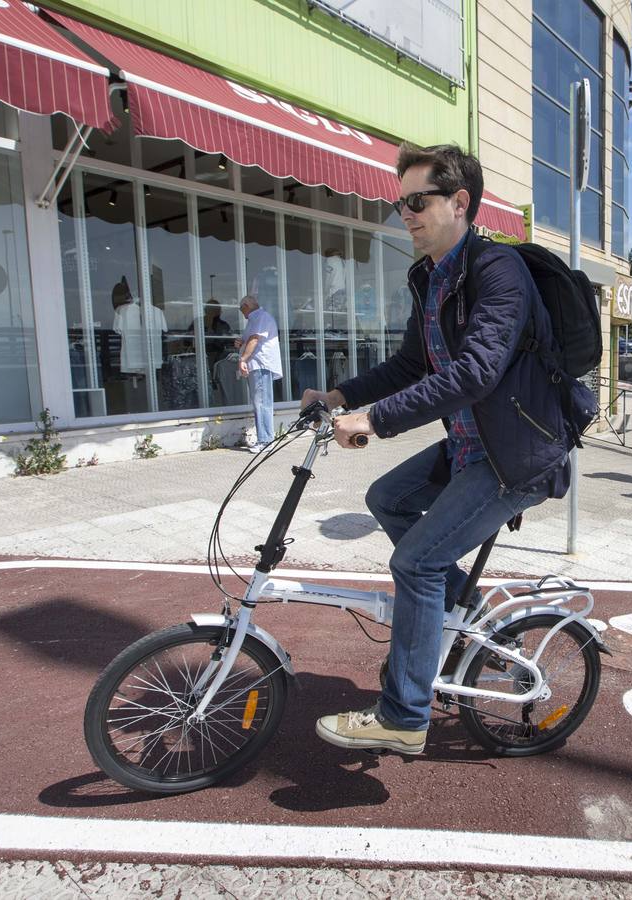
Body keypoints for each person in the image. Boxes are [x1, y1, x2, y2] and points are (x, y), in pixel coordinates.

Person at [301, 142, 571, 755]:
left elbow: (474, 373)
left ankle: (403, 716)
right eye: (401, 204)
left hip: (517, 457)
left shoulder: (498, 271)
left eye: (417, 202)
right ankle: (461, 604)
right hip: (470, 447)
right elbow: (411, 364)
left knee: (415, 563)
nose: (406, 215)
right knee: (386, 498)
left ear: (459, 202)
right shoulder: (429, 278)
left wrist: (376, 420)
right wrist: (340, 394)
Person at [236, 294, 282, 453]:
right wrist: (241, 343)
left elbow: (254, 340)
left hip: (260, 365)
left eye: (241, 309)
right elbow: (250, 340)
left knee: (261, 403)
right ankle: (265, 438)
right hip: (257, 365)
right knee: (261, 403)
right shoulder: (256, 319)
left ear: (246, 306)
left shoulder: (260, 317)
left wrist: (242, 359)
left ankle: (266, 440)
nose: (242, 313)